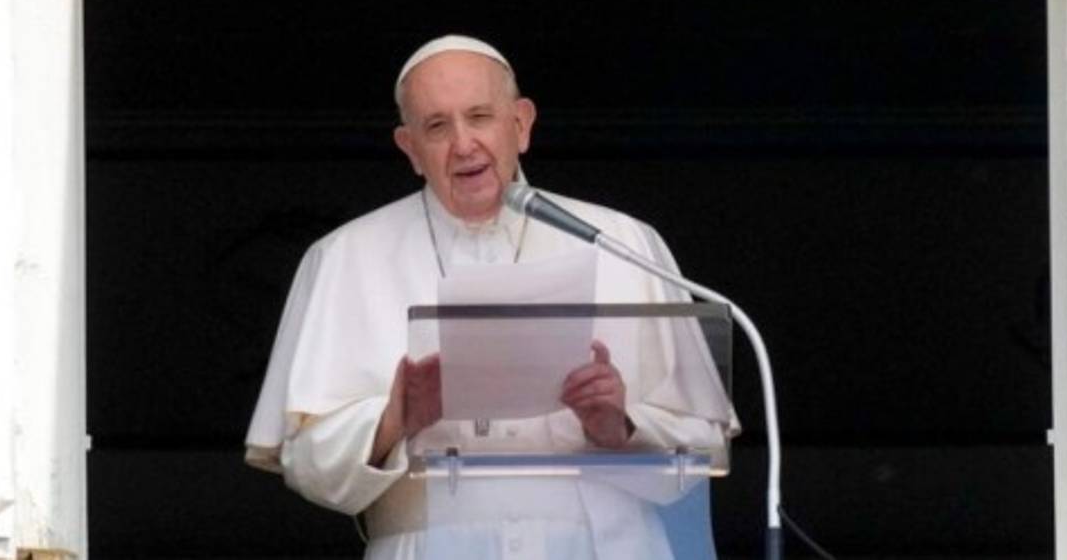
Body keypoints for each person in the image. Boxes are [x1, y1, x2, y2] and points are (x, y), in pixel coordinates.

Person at [244, 35, 737, 559]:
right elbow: (305, 465)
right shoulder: (344, 256)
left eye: (479, 117)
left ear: (521, 124)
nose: (463, 144)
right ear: (410, 148)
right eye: (437, 126)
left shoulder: (623, 242)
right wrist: (394, 419)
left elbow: (704, 447)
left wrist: (620, 426)